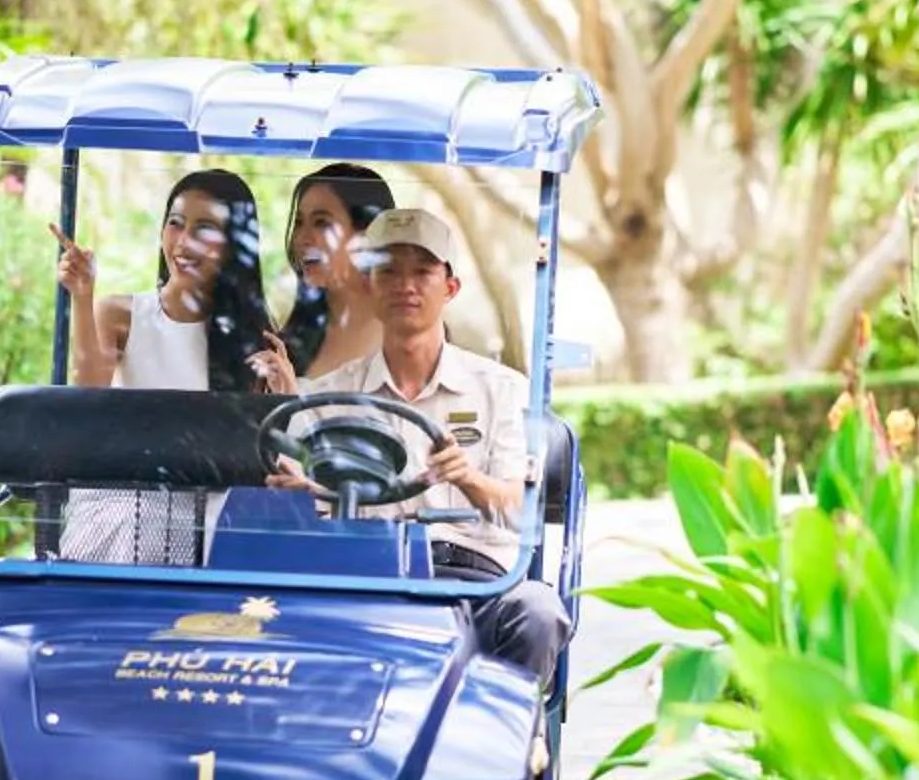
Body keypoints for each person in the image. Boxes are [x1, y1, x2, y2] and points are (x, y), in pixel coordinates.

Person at [276, 208, 571, 687]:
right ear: (369, 287)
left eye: (422, 271)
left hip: (478, 584)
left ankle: (507, 746)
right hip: (370, 582)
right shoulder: (328, 397)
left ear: (449, 288)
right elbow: (302, 514)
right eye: (388, 271)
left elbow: (520, 513)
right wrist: (299, 498)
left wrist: (468, 477)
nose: (404, 285)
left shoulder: (502, 389)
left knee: (538, 611)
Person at [51, 168, 288, 562]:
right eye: (175, 224)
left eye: (204, 229)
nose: (183, 242)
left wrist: (286, 393)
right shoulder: (120, 314)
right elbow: (88, 393)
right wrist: (82, 295)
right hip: (129, 504)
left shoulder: (252, 337)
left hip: (208, 515)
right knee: (143, 524)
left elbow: (269, 454)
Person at [278, 163, 394, 381]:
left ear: (366, 235)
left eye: (321, 223)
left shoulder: (406, 328)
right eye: (299, 223)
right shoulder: (295, 337)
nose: (303, 237)